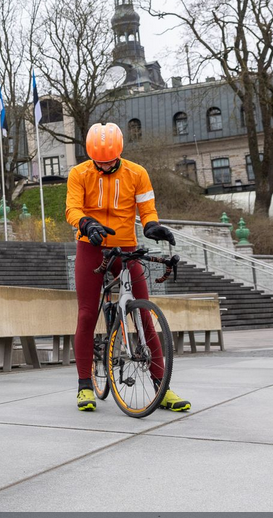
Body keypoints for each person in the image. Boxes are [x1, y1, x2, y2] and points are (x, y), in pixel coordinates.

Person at [65, 122, 191, 412]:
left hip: (126, 248)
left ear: (119, 153)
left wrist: (152, 226)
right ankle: (85, 386)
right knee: (85, 315)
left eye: (110, 160)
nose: (105, 164)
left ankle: (162, 388)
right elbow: (72, 208)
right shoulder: (79, 174)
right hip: (91, 246)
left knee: (145, 315)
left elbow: (147, 209)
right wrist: (85, 223)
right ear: (91, 155)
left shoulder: (138, 173)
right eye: (99, 160)